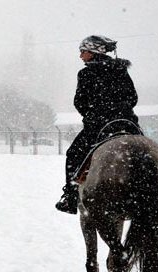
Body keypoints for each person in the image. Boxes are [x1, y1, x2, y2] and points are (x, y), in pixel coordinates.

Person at [55, 35, 140, 214]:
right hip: (128, 124)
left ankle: (70, 197)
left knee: (73, 154)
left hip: (99, 126)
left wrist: (94, 115)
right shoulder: (121, 69)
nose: (80, 56)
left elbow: (80, 102)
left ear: (93, 52)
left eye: (83, 52)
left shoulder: (85, 73)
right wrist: (120, 110)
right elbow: (133, 97)